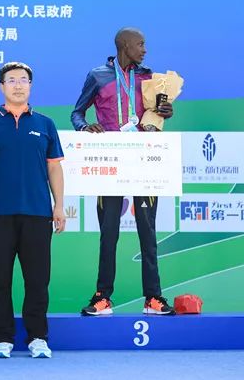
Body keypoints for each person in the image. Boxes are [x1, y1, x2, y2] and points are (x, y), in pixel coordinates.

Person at [70, 27, 174, 316]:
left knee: (148, 232)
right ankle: (102, 297)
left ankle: (153, 297)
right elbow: (77, 113)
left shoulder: (149, 77)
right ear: (124, 46)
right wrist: (84, 127)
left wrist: (166, 111)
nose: (144, 49)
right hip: (111, 163)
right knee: (109, 234)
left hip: (144, 161)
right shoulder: (98, 76)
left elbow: (160, 111)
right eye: (140, 44)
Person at [0, 62, 66, 359]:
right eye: (11, 80)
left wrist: (59, 205)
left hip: (37, 213)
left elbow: (54, 168)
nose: (18, 85)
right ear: (2, 87)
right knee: (0, 279)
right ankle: (2, 339)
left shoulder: (45, 124)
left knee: (37, 279)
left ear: (31, 86)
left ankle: (38, 337)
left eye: (23, 80)